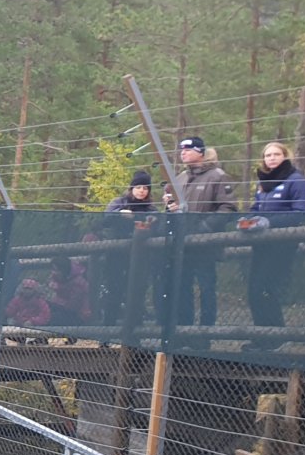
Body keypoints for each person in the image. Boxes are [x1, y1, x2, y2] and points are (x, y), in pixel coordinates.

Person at [241, 142, 305, 334]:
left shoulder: (296, 180)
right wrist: (247, 220)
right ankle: (261, 335)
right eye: (267, 155)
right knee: (254, 291)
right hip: (261, 244)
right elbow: (256, 208)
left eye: (276, 154)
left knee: (267, 289)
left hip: (282, 244)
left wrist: (269, 223)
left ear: (285, 156)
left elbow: (301, 212)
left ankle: (274, 336)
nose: (271, 158)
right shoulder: (264, 182)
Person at [165, 136, 238, 326]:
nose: (183, 152)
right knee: (181, 288)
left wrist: (204, 228)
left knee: (206, 288)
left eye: (188, 149)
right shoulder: (179, 179)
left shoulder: (218, 176)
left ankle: (205, 334)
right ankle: (183, 331)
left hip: (206, 246)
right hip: (182, 245)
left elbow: (228, 208)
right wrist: (170, 209)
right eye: (181, 149)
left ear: (200, 152)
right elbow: (173, 208)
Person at [99, 170, 158, 326]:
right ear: (132, 188)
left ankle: (135, 335)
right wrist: (119, 214)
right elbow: (105, 220)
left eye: (145, 188)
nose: (141, 191)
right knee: (114, 293)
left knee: (137, 294)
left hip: (141, 259)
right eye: (138, 187)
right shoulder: (119, 203)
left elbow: (158, 227)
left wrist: (151, 222)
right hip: (116, 256)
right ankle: (107, 333)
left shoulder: (151, 209)